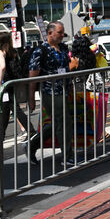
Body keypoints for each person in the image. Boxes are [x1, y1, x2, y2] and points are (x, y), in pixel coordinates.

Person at [28, 21, 75, 165]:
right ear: (49, 33)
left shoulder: (63, 48)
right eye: (59, 32)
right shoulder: (40, 51)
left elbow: (65, 68)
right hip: (50, 91)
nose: (62, 35)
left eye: (63, 32)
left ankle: (32, 145)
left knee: (58, 123)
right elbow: (32, 76)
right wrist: (31, 98)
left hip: (64, 90)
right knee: (64, 122)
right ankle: (67, 156)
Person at [0, 32, 31, 142]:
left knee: (14, 109)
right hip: (13, 82)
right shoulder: (13, 51)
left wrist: (0, 81)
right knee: (5, 110)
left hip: (6, 84)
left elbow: (2, 67)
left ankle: (31, 130)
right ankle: (1, 135)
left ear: (0, 42)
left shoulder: (0, 52)